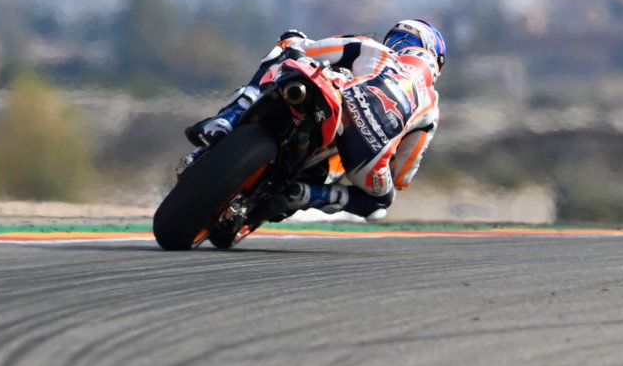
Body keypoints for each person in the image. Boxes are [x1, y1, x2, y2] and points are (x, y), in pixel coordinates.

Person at [184, 19, 446, 219]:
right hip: (367, 155)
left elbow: (304, 50)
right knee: (380, 203)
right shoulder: (431, 106)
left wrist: (296, 49)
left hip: (341, 102)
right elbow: (401, 176)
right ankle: (305, 195)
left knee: (289, 43)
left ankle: (228, 119)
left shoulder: (373, 48)